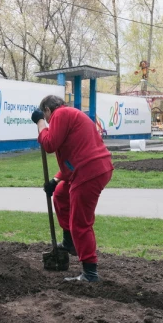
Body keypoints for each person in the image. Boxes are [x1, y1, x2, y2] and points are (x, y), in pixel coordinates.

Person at [31, 95, 113, 282]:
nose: (48, 122)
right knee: (60, 195)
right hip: (91, 167)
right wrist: (55, 180)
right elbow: (75, 155)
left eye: (46, 116)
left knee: (80, 223)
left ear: (48, 110)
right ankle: (70, 243)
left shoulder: (61, 114)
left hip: (88, 173)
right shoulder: (72, 115)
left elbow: (50, 144)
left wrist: (40, 123)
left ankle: (90, 273)